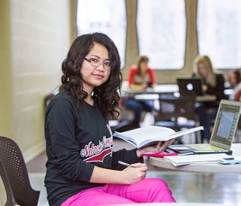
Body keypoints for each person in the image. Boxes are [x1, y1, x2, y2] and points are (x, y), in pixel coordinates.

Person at [44, 33, 176, 206]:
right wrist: (122, 177)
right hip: (71, 193)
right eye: (94, 60)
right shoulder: (62, 105)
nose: (101, 67)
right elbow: (70, 166)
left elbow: (101, 157)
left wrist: (139, 152)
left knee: (157, 187)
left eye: (107, 63)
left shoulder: (96, 103)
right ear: (77, 61)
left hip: (101, 186)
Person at [193, 55, 227, 141]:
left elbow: (221, 95)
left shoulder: (218, 77)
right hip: (202, 106)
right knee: (201, 110)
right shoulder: (197, 79)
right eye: (199, 68)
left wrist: (207, 89)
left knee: (204, 113)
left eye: (203, 68)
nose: (201, 71)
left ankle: (204, 139)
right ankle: (206, 138)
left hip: (216, 107)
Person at [125, 55, 156, 128]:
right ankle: (136, 126)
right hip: (132, 98)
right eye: (144, 64)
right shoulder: (133, 70)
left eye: (146, 64)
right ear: (139, 63)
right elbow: (130, 85)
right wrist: (143, 86)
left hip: (143, 98)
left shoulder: (149, 70)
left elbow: (153, 84)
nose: (145, 66)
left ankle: (155, 126)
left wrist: (150, 85)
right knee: (138, 107)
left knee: (151, 108)